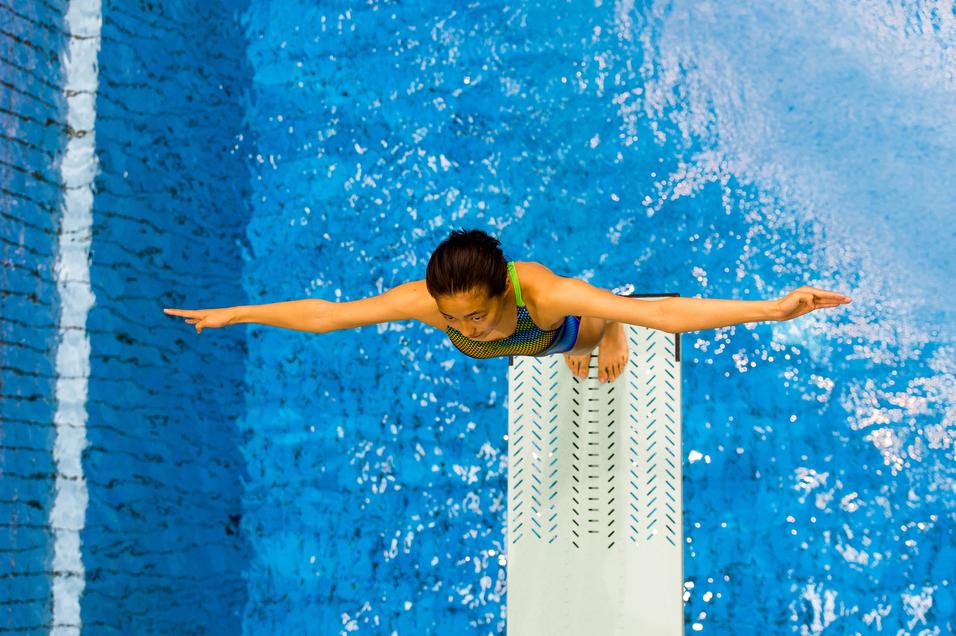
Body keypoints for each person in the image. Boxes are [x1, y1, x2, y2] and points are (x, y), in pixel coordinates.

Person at [163, 228, 851, 384]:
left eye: (476, 315)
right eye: (453, 318)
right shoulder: (430, 305)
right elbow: (329, 314)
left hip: (560, 328)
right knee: (548, 350)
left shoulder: (541, 294)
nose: (462, 327)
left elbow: (664, 316)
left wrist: (770, 309)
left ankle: (598, 338)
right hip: (525, 346)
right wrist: (236, 314)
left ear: (504, 291)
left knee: (593, 332)